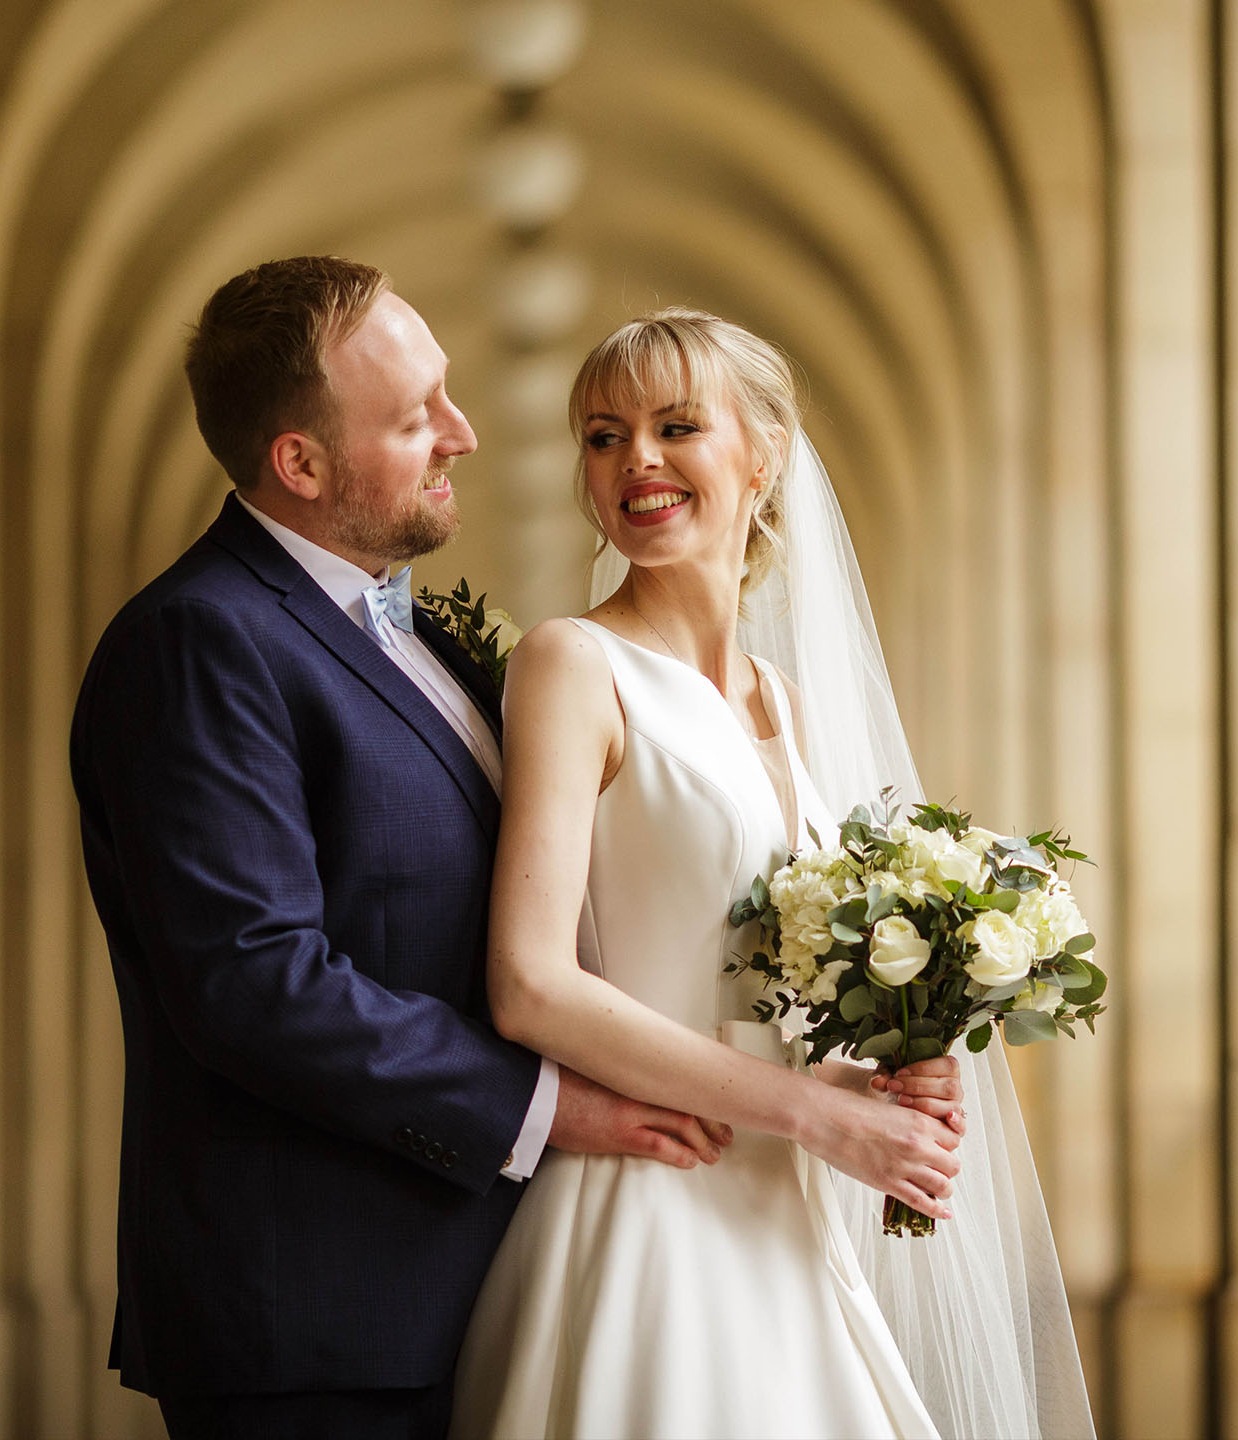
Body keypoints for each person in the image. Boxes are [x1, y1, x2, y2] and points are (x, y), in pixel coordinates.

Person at [72, 259, 830, 1440]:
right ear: (302, 464)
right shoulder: (200, 642)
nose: (464, 436)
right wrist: (546, 1106)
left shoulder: (423, 638)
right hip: (317, 1317)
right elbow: (253, 983)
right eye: (418, 416)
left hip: (473, 1280)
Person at [452, 308, 1095, 1438]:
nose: (634, 461)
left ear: (765, 455)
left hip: (785, 1211)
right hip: (653, 1207)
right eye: (603, 437)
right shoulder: (573, 663)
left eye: (676, 425)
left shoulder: (782, 705)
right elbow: (530, 985)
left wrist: (875, 1081)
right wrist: (812, 1112)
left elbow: (759, 994)